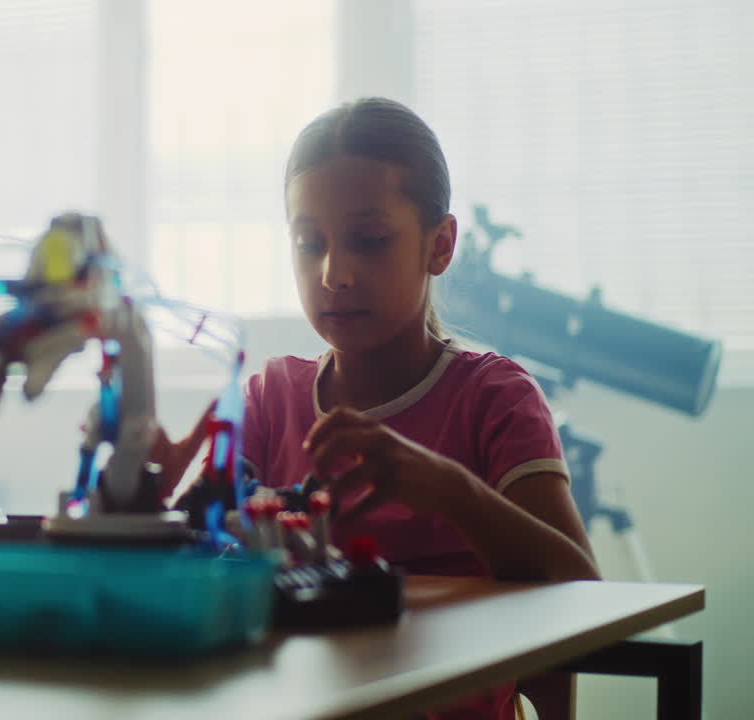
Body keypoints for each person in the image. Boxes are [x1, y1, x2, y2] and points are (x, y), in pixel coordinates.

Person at [157, 98, 598, 720]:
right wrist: (147, 504)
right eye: (310, 243)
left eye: (369, 240)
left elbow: (585, 594)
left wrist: (455, 492)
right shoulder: (270, 399)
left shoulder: (494, 399)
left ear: (439, 245)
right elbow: (178, 587)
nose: (334, 273)